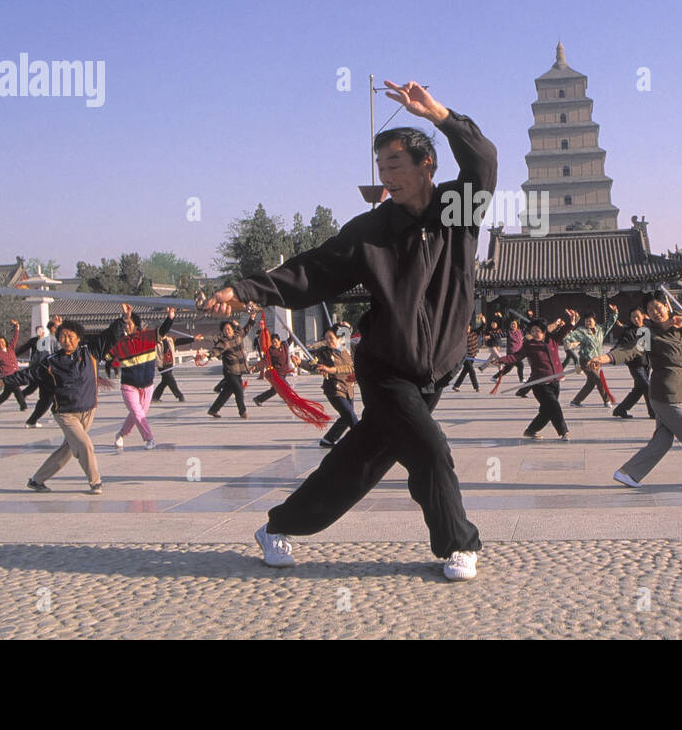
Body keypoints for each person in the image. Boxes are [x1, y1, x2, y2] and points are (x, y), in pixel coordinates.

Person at [201, 80, 493, 581]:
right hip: (386, 366)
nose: (387, 178)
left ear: (427, 166)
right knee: (429, 450)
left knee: (358, 464)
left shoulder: (456, 210)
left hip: (437, 367)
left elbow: (483, 160)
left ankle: (278, 527)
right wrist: (247, 290)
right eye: (381, 169)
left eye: (396, 166)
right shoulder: (371, 230)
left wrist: (439, 115)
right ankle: (458, 544)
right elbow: (312, 270)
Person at [590, 292, 682, 489]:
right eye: (650, 310)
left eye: (657, 307)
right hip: (665, 393)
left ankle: (629, 474)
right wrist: (605, 358)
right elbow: (631, 350)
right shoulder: (647, 332)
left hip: (681, 389)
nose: (654, 312)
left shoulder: (681, 322)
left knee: (663, 440)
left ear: (666, 306)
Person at [0, 315, 125, 495]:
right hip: (66, 414)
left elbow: (109, 336)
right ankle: (95, 482)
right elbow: (26, 375)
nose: (66, 340)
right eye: (63, 336)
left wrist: (124, 318)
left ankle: (37, 480)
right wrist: (2, 382)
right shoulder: (51, 361)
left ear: (78, 338)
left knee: (67, 450)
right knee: (85, 445)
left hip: (88, 410)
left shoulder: (90, 352)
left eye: (70, 336)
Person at [493, 317, 573, 438]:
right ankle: (564, 432)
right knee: (555, 407)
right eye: (532, 331)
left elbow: (563, 331)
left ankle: (530, 431)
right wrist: (501, 360)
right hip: (540, 384)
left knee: (547, 411)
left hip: (555, 381)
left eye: (537, 330)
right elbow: (516, 356)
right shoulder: (529, 345)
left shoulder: (552, 340)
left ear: (544, 331)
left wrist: (571, 321)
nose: (535, 333)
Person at [111, 306, 178, 451]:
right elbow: (112, 338)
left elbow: (163, 331)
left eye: (129, 324)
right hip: (129, 386)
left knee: (138, 414)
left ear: (136, 324)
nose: (126, 327)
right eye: (125, 324)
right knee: (137, 412)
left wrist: (170, 318)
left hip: (147, 385)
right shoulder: (121, 342)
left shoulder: (148, 337)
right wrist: (124, 318)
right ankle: (150, 439)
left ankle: (121, 434)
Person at [302, 326, 357, 448]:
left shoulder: (345, 350)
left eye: (331, 338)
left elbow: (350, 368)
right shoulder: (323, 353)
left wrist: (331, 369)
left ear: (338, 338)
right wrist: (300, 363)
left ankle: (328, 439)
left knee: (345, 417)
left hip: (348, 388)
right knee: (350, 415)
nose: (329, 341)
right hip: (334, 389)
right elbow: (313, 365)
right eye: (326, 338)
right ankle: (363, 438)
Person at [205, 313, 255, 418]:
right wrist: (209, 354)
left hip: (239, 370)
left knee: (227, 392)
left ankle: (213, 410)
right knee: (239, 390)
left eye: (228, 329)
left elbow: (246, 329)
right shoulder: (224, 342)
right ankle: (242, 411)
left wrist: (252, 318)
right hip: (230, 371)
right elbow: (216, 350)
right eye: (225, 330)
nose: (227, 331)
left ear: (233, 329)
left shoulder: (239, 335)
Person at [566, 306, 617, 407]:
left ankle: (576, 401)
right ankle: (606, 400)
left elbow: (610, 323)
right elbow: (569, 338)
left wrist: (615, 313)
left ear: (594, 321)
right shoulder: (582, 331)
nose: (588, 323)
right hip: (586, 361)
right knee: (598, 380)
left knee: (590, 383)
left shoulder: (600, 330)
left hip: (597, 361)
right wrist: (572, 344)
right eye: (586, 321)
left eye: (590, 321)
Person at [610, 307, 655, 420]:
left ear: (643, 315)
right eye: (633, 317)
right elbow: (620, 345)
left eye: (637, 316)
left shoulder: (647, 328)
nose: (635, 319)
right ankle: (653, 412)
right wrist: (611, 355)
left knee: (639, 389)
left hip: (646, 363)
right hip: (635, 365)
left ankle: (620, 410)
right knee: (647, 386)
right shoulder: (629, 331)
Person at [251, 333, 294, 408]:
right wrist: (256, 366)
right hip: (277, 374)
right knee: (286, 386)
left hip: (284, 372)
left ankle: (258, 399)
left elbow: (291, 338)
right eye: (273, 342)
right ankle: (291, 400)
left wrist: (288, 330)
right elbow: (264, 360)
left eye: (276, 341)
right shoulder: (270, 351)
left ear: (279, 341)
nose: (275, 344)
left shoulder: (284, 345)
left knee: (274, 390)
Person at [448, 324, 482, 392]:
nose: (467, 329)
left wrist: (483, 322)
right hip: (465, 356)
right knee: (472, 371)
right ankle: (476, 387)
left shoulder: (474, 333)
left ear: (470, 327)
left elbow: (482, 327)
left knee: (465, 371)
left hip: (472, 356)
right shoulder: (462, 335)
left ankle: (456, 386)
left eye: (468, 327)